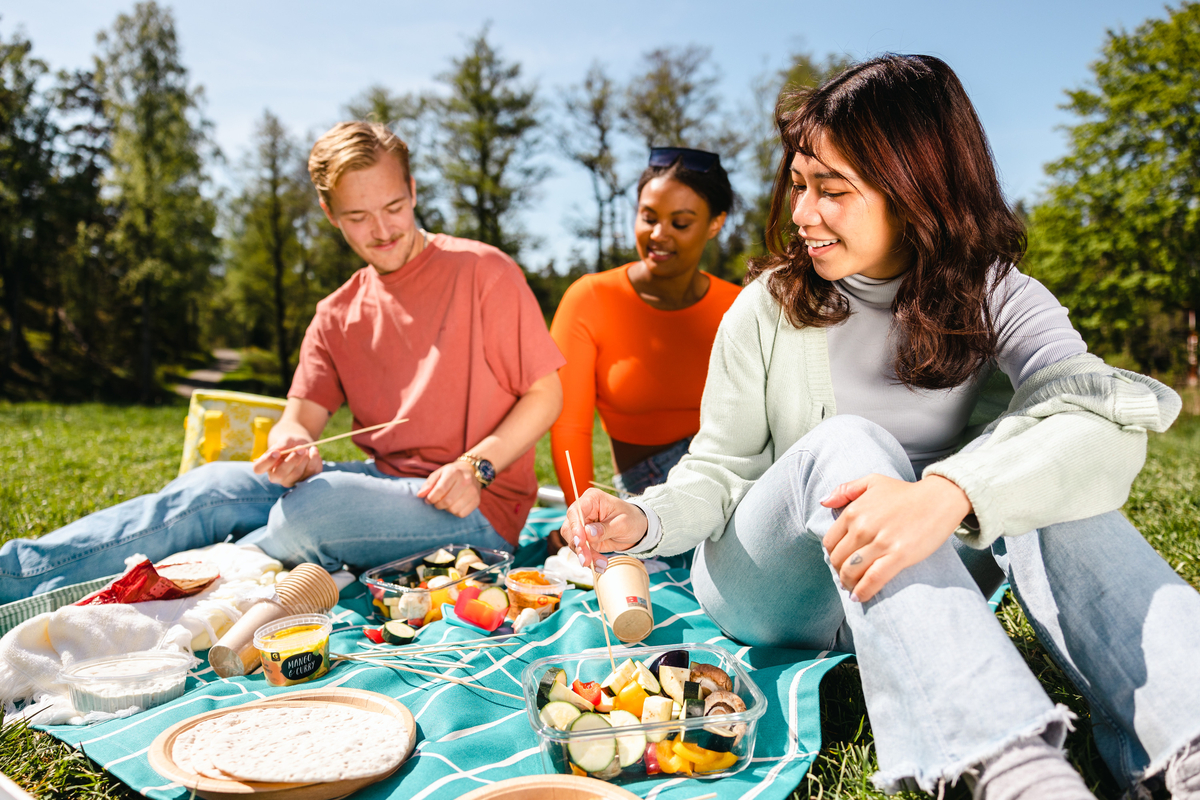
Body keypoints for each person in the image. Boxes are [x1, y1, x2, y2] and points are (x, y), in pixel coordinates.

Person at [564, 55, 1200, 800]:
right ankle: (1008, 772)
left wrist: (952, 490)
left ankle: (1185, 744)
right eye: (799, 185)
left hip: (925, 573)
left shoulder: (999, 295)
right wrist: (642, 519)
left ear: (918, 192)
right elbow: (719, 472)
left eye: (832, 190)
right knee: (851, 446)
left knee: (1053, 473)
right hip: (771, 587)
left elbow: (1103, 415)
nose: (802, 214)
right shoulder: (767, 306)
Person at [0, 122, 565, 604]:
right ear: (329, 213)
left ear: (414, 190)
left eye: (394, 207)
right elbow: (300, 419)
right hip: (382, 485)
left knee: (313, 511)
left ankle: (142, 599)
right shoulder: (336, 313)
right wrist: (292, 446)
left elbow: (546, 394)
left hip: (478, 506)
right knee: (210, 487)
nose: (383, 230)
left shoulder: (484, 272)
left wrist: (477, 467)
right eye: (358, 216)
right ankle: (16, 576)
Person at [549, 147, 739, 505]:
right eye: (648, 218)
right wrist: (581, 509)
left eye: (680, 223)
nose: (658, 234)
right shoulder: (590, 298)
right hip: (651, 489)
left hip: (733, 473)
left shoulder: (740, 305)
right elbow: (569, 426)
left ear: (716, 223)